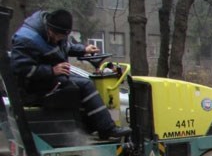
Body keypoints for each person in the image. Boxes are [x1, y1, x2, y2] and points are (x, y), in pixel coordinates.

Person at [10, 9, 130, 139]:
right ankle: (106, 129)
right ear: (50, 30)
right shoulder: (27, 40)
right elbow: (20, 69)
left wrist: (84, 50)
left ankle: (98, 127)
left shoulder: (51, 31)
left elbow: (64, 46)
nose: (59, 40)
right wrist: (52, 70)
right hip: (31, 88)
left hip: (46, 79)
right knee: (83, 85)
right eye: (59, 37)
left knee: (81, 84)